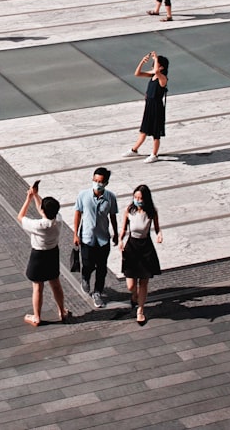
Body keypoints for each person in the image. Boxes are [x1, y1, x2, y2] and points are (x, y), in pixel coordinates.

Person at [18, 183, 70, 326]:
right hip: (53, 253)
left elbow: (20, 216)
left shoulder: (38, 225)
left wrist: (29, 198)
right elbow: (43, 208)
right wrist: (35, 195)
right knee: (56, 284)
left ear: (43, 211)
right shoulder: (58, 220)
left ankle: (37, 317)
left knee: (37, 287)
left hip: (38, 256)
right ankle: (62, 311)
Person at [73, 167, 119, 309]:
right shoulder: (83, 195)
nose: (97, 184)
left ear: (106, 183)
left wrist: (116, 233)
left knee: (102, 268)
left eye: (100, 181)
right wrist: (75, 233)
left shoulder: (110, 197)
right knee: (87, 264)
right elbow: (78, 213)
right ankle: (85, 278)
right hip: (87, 238)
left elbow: (112, 216)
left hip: (103, 239)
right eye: (95, 180)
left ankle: (98, 292)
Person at [118, 184, 162, 324]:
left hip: (146, 247)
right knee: (131, 285)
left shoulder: (151, 211)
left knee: (144, 281)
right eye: (135, 197)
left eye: (140, 198)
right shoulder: (129, 210)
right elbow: (124, 229)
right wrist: (120, 240)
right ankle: (134, 295)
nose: (138, 200)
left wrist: (159, 235)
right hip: (132, 246)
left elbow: (157, 228)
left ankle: (140, 310)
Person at [122, 52, 169, 162]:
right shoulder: (152, 75)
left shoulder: (163, 78)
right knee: (143, 130)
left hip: (157, 108)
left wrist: (156, 58)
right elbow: (137, 73)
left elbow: (157, 71)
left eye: (156, 64)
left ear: (161, 67)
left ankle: (154, 154)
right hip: (149, 107)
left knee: (156, 133)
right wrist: (142, 62)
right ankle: (134, 150)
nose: (153, 67)